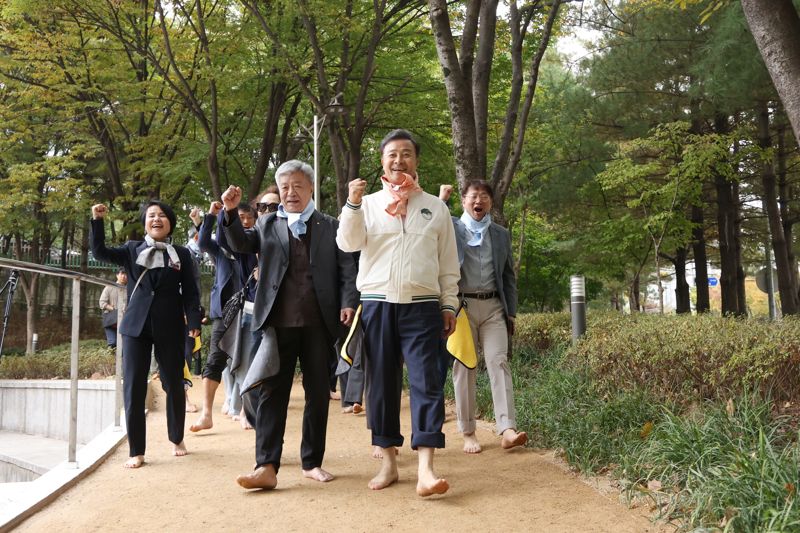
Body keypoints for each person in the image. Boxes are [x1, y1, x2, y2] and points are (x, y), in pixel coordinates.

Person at [336, 129, 460, 497]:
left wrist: (448, 303)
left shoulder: (436, 208)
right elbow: (348, 243)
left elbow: (448, 264)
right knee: (382, 385)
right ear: (382, 162)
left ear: (416, 161)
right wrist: (352, 203)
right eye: (392, 154)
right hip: (376, 303)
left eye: (406, 154)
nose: (399, 160)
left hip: (422, 307)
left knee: (427, 382)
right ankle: (389, 461)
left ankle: (426, 469)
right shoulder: (369, 203)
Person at [221, 159, 358, 490]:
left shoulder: (330, 225)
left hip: (319, 322)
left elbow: (347, 269)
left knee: (317, 394)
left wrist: (348, 302)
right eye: (284, 187)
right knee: (272, 394)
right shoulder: (267, 225)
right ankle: (266, 465)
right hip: (277, 324)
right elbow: (239, 243)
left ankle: (312, 462)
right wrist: (228, 213)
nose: (290, 193)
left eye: (297, 185)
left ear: (310, 187)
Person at [90, 200, 202, 469]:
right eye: (151, 215)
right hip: (135, 327)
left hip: (170, 324)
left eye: (162, 215)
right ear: (145, 223)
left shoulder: (182, 254)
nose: (156, 219)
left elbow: (190, 290)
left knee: (173, 382)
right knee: (133, 386)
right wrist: (97, 221)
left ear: (170, 222)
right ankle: (136, 450)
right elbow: (100, 252)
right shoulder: (131, 250)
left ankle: (177, 438)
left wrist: (194, 320)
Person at [439, 182, 528, 454]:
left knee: (499, 362)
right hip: (461, 307)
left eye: (485, 197)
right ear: (464, 201)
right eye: (473, 196)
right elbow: (431, 226)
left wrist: (510, 312)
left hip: (492, 308)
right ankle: (468, 432)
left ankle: (507, 429)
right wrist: (442, 201)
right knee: (465, 367)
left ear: (490, 203)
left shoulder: (500, 234)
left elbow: (508, 277)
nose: (479, 201)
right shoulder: (452, 227)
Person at [190, 202, 258, 433]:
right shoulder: (219, 250)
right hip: (223, 312)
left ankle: (245, 411)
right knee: (215, 360)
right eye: (240, 218)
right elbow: (202, 242)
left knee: (249, 362)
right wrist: (210, 214)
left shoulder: (255, 249)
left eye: (249, 218)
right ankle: (206, 413)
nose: (245, 222)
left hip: (251, 309)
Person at [99, 268, 127, 349]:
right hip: (111, 321)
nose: (124, 276)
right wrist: (113, 309)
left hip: (124, 321)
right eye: (122, 274)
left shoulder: (130, 289)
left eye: (126, 274)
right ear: (117, 275)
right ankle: (110, 361)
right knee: (112, 343)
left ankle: (121, 361)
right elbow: (102, 302)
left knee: (124, 345)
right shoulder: (109, 287)